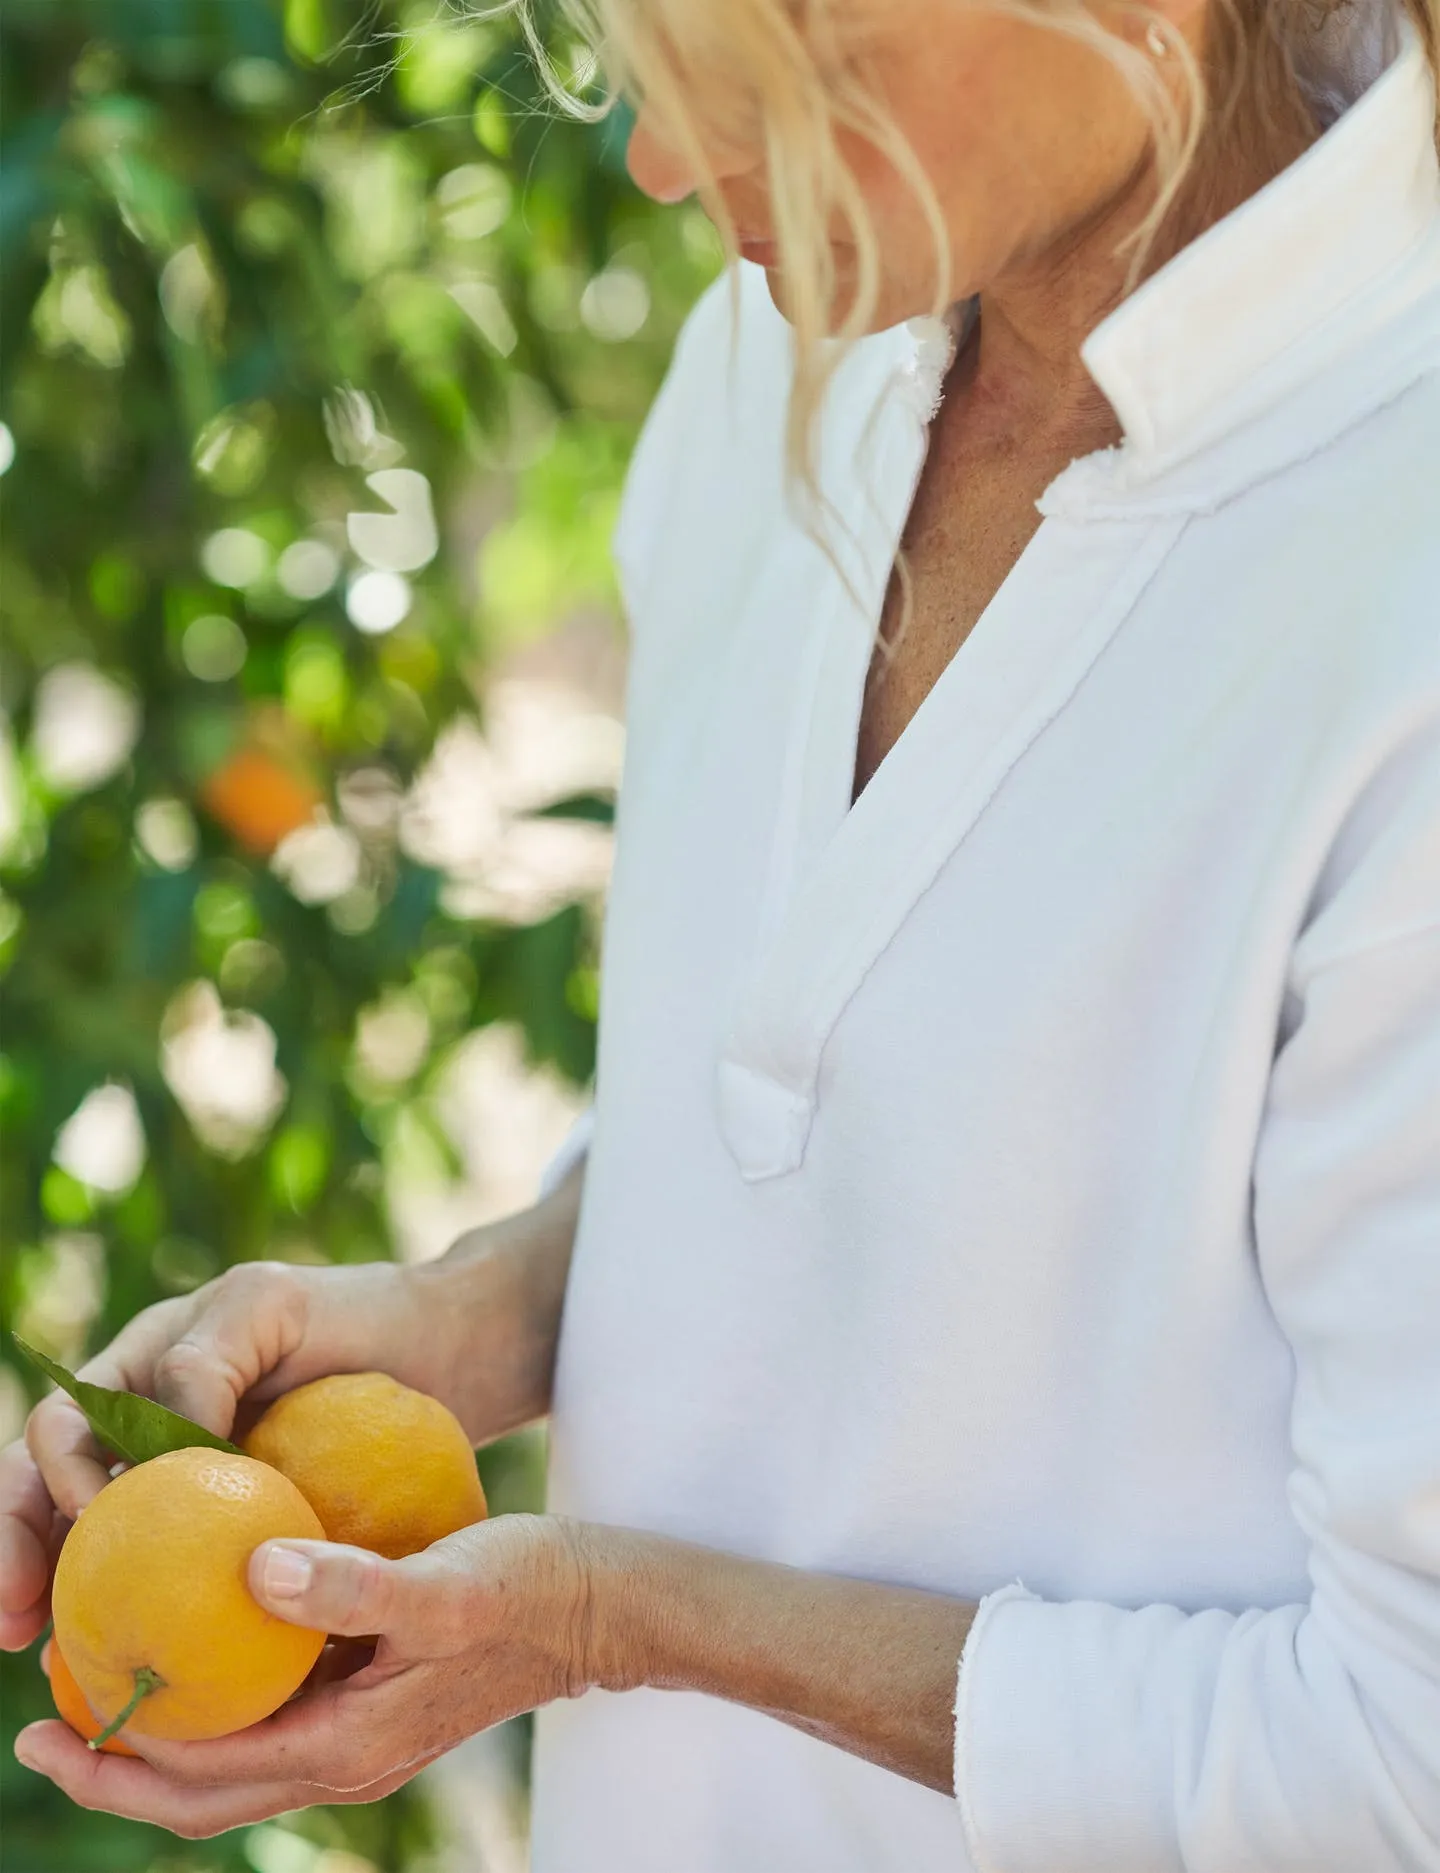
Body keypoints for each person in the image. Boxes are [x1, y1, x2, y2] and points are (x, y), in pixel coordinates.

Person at [5, 0, 1439, 1862]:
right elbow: (823, 1136)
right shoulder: (787, 362)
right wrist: (461, 1323)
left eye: (785, 76)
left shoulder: (1391, 586)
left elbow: (1400, 1758)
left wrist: (617, 1623)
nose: (663, 163)